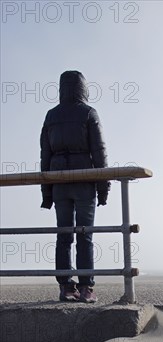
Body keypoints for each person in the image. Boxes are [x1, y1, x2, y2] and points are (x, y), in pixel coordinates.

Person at [40, 70, 110, 303]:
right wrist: (103, 188)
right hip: (84, 182)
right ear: (83, 88)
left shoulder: (51, 116)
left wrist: (47, 192)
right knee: (85, 236)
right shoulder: (89, 113)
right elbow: (99, 154)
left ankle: (66, 287)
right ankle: (86, 287)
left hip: (59, 183)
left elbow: (45, 156)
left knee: (64, 235)